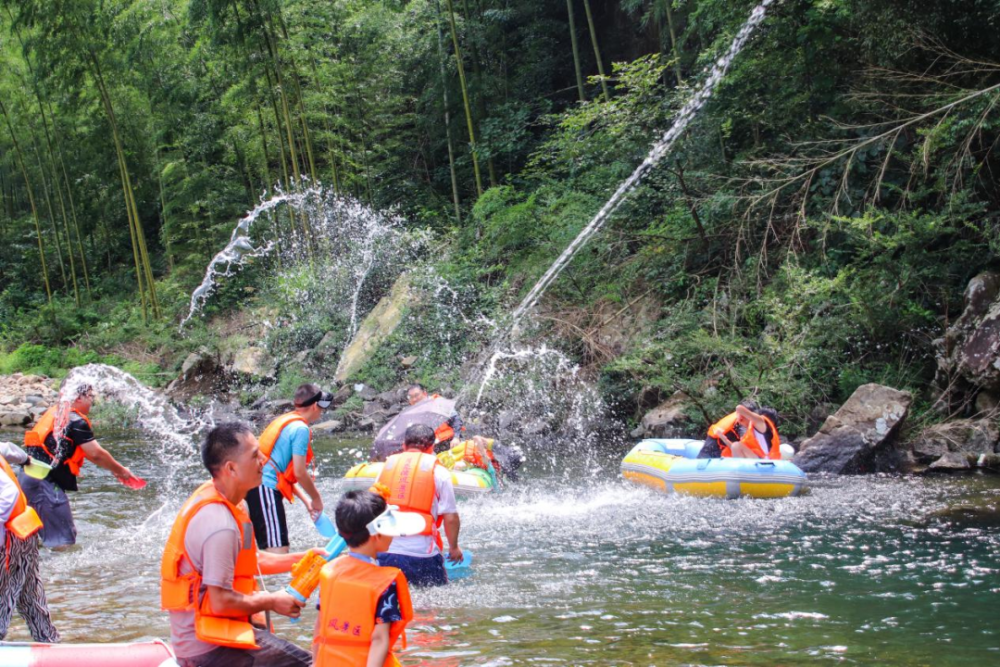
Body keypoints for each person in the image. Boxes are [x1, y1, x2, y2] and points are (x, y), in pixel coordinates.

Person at [161, 422, 313, 667]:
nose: (264, 459)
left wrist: (306, 558)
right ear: (231, 468)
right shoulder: (220, 524)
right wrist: (272, 600)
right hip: (208, 648)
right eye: (255, 455)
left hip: (221, 631)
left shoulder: (233, 502)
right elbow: (220, 603)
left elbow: (252, 560)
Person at [21, 384, 142, 547]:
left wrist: (113, 469)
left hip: (28, 479)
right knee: (63, 541)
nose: (92, 402)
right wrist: (122, 471)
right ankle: (60, 572)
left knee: (36, 537)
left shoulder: (58, 414)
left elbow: (89, 454)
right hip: (43, 485)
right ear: (78, 398)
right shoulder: (75, 420)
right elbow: (96, 454)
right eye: (90, 397)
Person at [313, 489, 420, 666]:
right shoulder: (384, 582)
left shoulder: (328, 572)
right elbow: (379, 639)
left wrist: (315, 663)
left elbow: (319, 627)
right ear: (376, 534)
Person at [246, 383, 331, 553]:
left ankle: (258, 579)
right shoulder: (301, 429)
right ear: (315, 406)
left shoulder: (286, 422)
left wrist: (307, 502)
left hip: (255, 490)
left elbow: (282, 474)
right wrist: (316, 498)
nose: (321, 412)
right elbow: (299, 472)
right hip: (265, 490)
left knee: (257, 549)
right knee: (278, 551)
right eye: (321, 408)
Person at [375, 424, 462, 586]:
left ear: (404, 445)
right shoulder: (440, 472)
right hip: (422, 554)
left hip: (385, 552)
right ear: (431, 447)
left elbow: (371, 507)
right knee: (432, 605)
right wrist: (454, 547)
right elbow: (450, 517)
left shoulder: (386, 467)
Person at [0, 441, 59, 643]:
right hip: (24, 530)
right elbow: (8, 449)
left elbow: (9, 493)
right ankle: (48, 640)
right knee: (29, 593)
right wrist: (26, 459)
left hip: (9, 538)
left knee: (5, 593)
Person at [699, 401, 781, 459]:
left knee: (736, 446)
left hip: (762, 463)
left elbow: (739, 408)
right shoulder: (753, 427)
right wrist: (724, 438)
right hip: (713, 451)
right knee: (736, 446)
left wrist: (742, 415)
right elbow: (736, 447)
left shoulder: (761, 423)